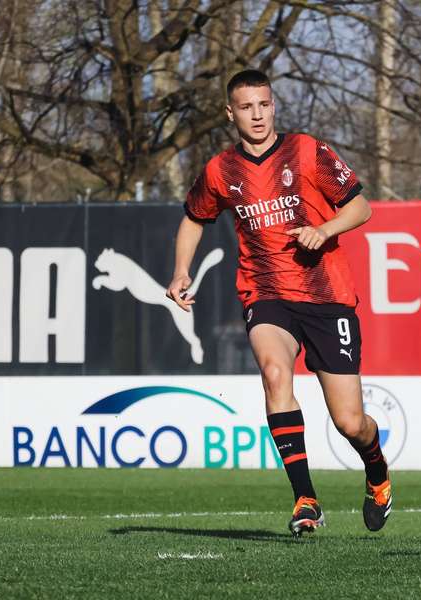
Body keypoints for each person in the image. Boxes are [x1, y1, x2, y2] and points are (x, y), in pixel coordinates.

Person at [166, 69, 392, 537]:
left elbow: (360, 207)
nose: (257, 115)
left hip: (327, 296)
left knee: (351, 422)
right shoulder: (219, 171)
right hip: (265, 292)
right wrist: (181, 271)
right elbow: (193, 218)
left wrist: (325, 229)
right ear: (231, 113)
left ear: (273, 106)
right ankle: (305, 498)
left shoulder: (307, 151)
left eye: (263, 105)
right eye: (246, 107)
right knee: (274, 374)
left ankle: (377, 472)